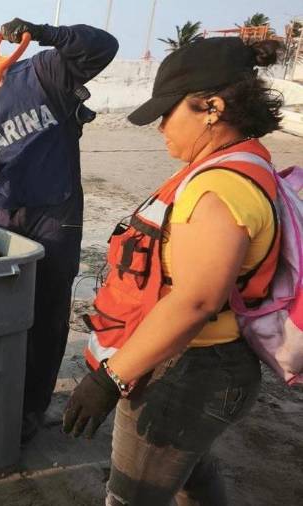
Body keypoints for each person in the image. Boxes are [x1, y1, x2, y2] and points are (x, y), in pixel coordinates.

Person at [63, 37, 284, 505]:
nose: (161, 125)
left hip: (189, 370)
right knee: (189, 472)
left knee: (134, 494)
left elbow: (196, 301)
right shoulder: (235, 164)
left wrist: (110, 378)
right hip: (206, 363)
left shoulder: (218, 189)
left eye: (168, 111)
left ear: (212, 108)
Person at [0, 19, 117, 441]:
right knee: (8, 309)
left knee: (48, 314)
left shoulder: (42, 73)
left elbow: (104, 46)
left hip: (56, 211)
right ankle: (6, 389)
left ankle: (32, 408)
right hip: (9, 217)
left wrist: (44, 33)